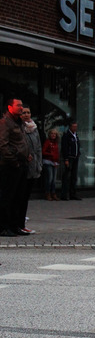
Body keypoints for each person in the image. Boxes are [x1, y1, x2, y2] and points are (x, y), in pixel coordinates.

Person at [0, 97, 29, 237]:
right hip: (10, 166)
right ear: (10, 107)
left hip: (21, 164)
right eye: (18, 105)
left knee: (18, 197)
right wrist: (14, 161)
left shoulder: (19, 122)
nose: (21, 108)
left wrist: (27, 155)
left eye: (21, 105)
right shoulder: (5, 122)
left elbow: (21, 142)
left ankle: (14, 225)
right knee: (7, 197)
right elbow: (3, 145)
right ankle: (4, 227)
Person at [18, 105, 42, 234]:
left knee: (26, 196)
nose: (26, 115)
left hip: (33, 167)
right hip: (23, 167)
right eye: (24, 113)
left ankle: (21, 222)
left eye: (28, 112)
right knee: (20, 197)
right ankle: (19, 223)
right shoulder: (19, 128)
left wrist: (39, 165)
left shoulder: (34, 128)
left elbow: (38, 148)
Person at [61, 122, 81, 200]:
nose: (75, 128)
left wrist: (78, 153)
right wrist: (66, 158)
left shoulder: (76, 135)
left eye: (76, 126)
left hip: (75, 157)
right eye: (73, 126)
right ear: (70, 127)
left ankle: (73, 194)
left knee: (74, 176)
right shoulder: (66, 136)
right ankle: (64, 194)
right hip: (69, 157)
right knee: (67, 176)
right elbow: (64, 148)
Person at [42, 128, 60, 201]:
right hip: (48, 161)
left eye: (54, 134)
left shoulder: (56, 143)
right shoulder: (47, 142)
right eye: (52, 134)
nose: (53, 135)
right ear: (49, 135)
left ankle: (53, 193)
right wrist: (50, 154)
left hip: (54, 162)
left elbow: (57, 153)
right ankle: (47, 193)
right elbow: (43, 152)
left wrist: (56, 160)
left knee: (54, 180)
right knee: (50, 178)